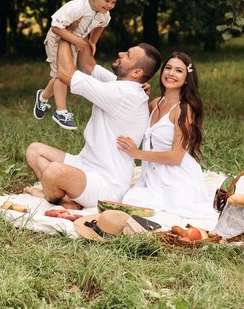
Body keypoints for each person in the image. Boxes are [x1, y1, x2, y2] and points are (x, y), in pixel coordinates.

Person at [24, 38, 162, 209]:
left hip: (106, 185)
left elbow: (65, 73)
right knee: (34, 151)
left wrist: (65, 34)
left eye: (127, 55)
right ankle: (67, 197)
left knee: (53, 171)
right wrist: (86, 39)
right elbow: (88, 66)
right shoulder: (121, 84)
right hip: (84, 164)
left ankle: (60, 197)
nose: (120, 53)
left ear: (136, 72)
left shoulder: (122, 94)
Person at [118, 52, 218, 219]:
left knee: (174, 213)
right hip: (151, 176)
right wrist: (139, 90)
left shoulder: (184, 110)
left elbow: (176, 157)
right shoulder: (156, 103)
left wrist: (137, 153)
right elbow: (130, 111)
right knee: (130, 201)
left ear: (186, 79)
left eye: (179, 71)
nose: (171, 73)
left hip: (175, 177)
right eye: (168, 68)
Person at [33, 0, 123, 130]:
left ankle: (43, 96)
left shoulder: (105, 15)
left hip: (74, 43)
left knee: (63, 74)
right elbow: (56, 28)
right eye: (107, 0)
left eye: (113, 2)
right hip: (57, 40)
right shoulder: (76, 7)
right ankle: (60, 111)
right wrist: (77, 40)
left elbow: (101, 26)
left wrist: (93, 42)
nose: (110, 5)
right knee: (63, 74)